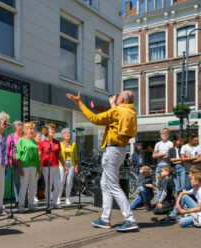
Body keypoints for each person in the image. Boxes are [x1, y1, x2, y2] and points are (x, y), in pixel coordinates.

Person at [66, 91, 138, 232]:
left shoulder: (118, 110)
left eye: (118, 97)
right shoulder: (129, 111)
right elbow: (117, 117)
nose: (116, 98)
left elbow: (95, 118)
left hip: (112, 151)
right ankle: (105, 219)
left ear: (122, 99)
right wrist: (112, 105)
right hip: (120, 150)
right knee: (105, 184)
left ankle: (130, 219)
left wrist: (80, 103)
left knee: (113, 186)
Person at [38, 123, 67, 209]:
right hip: (46, 167)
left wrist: (64, 165)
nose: (53, 131)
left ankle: (55, 203)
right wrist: (38, 168)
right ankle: (48, 204)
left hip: (56, 166)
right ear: (46, 131)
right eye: (51, 130)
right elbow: (39, 156)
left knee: (58, 184)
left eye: (54, 130)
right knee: (49, 185)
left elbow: (60, 155)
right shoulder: (42, 143)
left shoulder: (57, 142)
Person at [16, 122, 40, 213]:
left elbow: (36, 156)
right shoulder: (21, 140)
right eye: (31, 128)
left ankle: (31, 204)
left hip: (34, 167)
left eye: (33, 128)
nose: (33, 130)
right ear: (25, 130)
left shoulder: (34, 141)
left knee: (33, 187)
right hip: (25, 167)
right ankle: (21, 205)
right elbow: (18, 155)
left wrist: (38, 169)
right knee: (24, 186)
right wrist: (20, 168)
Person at [57, 128, 78, 205]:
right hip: (62, 164)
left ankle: (67, 198)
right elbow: (58, 155)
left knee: (69, 181)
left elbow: (75, 156)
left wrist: (76, 166)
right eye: (66, 133)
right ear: (62, 136)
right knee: (62, 181)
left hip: (71, 164)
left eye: (68, 133)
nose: (68, 134)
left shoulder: (73, 144)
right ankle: (58, 197)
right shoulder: (60, 144)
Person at [7, 121, 23, 206]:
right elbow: (7, 149)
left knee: (24, 181)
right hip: (14, 162)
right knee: (17, 181)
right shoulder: (11, 136)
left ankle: (24, 199)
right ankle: (18, 199)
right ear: (15, 128)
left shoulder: (24, 137)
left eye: (21, 126)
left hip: (24, 162)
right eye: (19, 126)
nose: (21, 127)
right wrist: (8, 159)